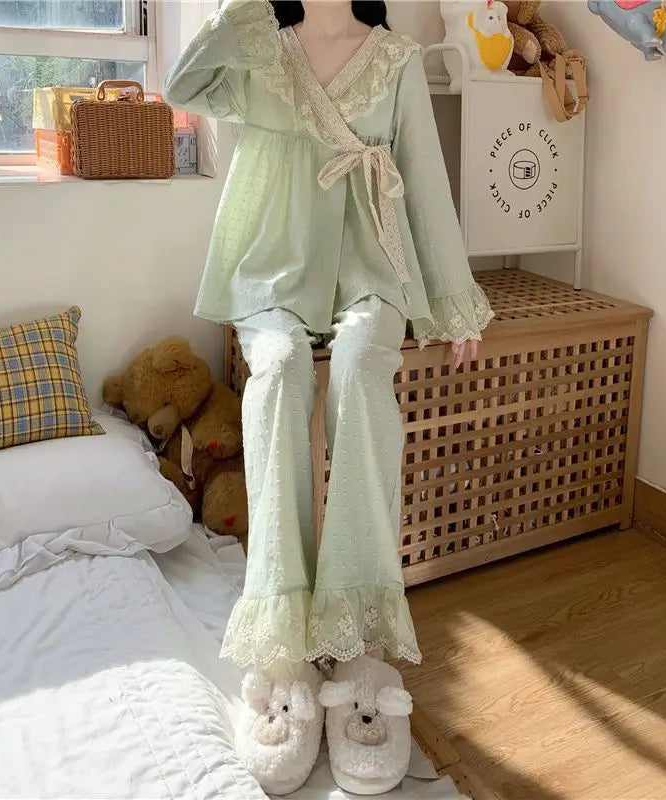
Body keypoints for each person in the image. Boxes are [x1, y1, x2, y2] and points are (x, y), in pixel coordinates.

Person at [164, 0, 494, 791]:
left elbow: (426, 181)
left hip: (373, 266)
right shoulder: (257, 47)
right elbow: (183, 86)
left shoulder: (397, 59)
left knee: (360, 371)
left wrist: (454, 301)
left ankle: (359, 640)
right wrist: (237, 12)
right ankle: (285, 634)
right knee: (278, 369)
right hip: (273, 266)